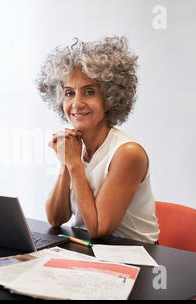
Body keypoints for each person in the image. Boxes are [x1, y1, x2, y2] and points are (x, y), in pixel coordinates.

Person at [36, 36, 159, 243]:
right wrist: (66, 161)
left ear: (109, 99)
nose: (76, 103)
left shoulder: (128, 153)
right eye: (69, 93)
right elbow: (56, 218)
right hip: (89, 251)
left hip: (136, 258)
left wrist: (74, 164)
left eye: (89, 92)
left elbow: (99, 229)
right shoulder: (76, 146)